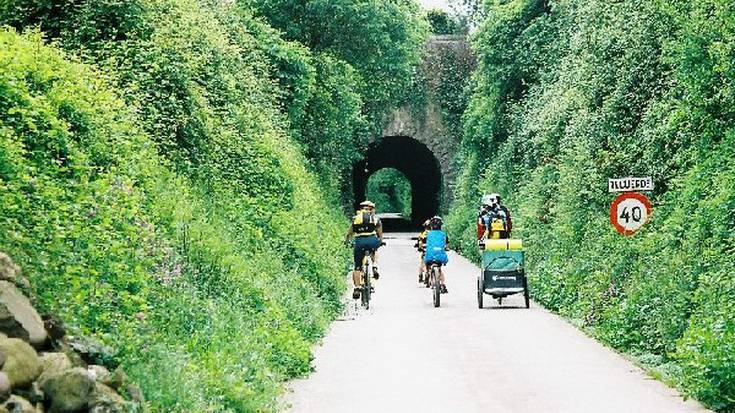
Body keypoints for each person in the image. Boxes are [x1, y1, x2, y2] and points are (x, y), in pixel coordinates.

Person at [345, 200, 383, 299]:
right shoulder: (375, 218)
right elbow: (379, 232)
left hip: (360, 242)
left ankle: (357, 287)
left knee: (357, 266)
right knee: (374, 250)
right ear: (371, 209)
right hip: (372, 240)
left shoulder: (355, 219)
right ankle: (374, 266)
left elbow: (349, 233)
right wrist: (380, 240)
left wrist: (346, 241)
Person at [423, 216, 449, 294]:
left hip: (430, 256)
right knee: (440, 269)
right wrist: (446, 248)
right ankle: (443, 285)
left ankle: (427, 274)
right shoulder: (443, 234)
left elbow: (425, 243)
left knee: (427, 263)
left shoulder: (429, 234)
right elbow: (446, 245)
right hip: (440, 256)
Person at [415, 219, 430, 283]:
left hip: (425, 250)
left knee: (422, 263)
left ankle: (421, 275)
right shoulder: (434, 234)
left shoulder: (423, 234)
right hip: (434, 251)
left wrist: (419, 247)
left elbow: (420, 242)